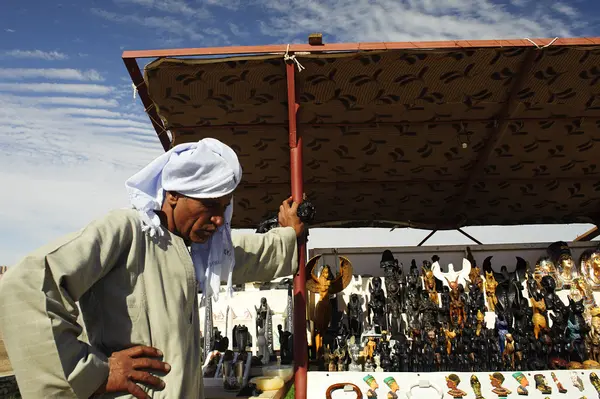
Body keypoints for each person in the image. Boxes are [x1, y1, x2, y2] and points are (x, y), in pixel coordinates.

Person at [0, 138, 303, 399]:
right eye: (209, 205)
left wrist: (290, 234)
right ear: (174, 194)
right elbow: (26, 286)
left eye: (223, 207)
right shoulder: (127, 232)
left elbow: (250, 253)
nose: (219, 220)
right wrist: (92, 373)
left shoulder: (196, 250)